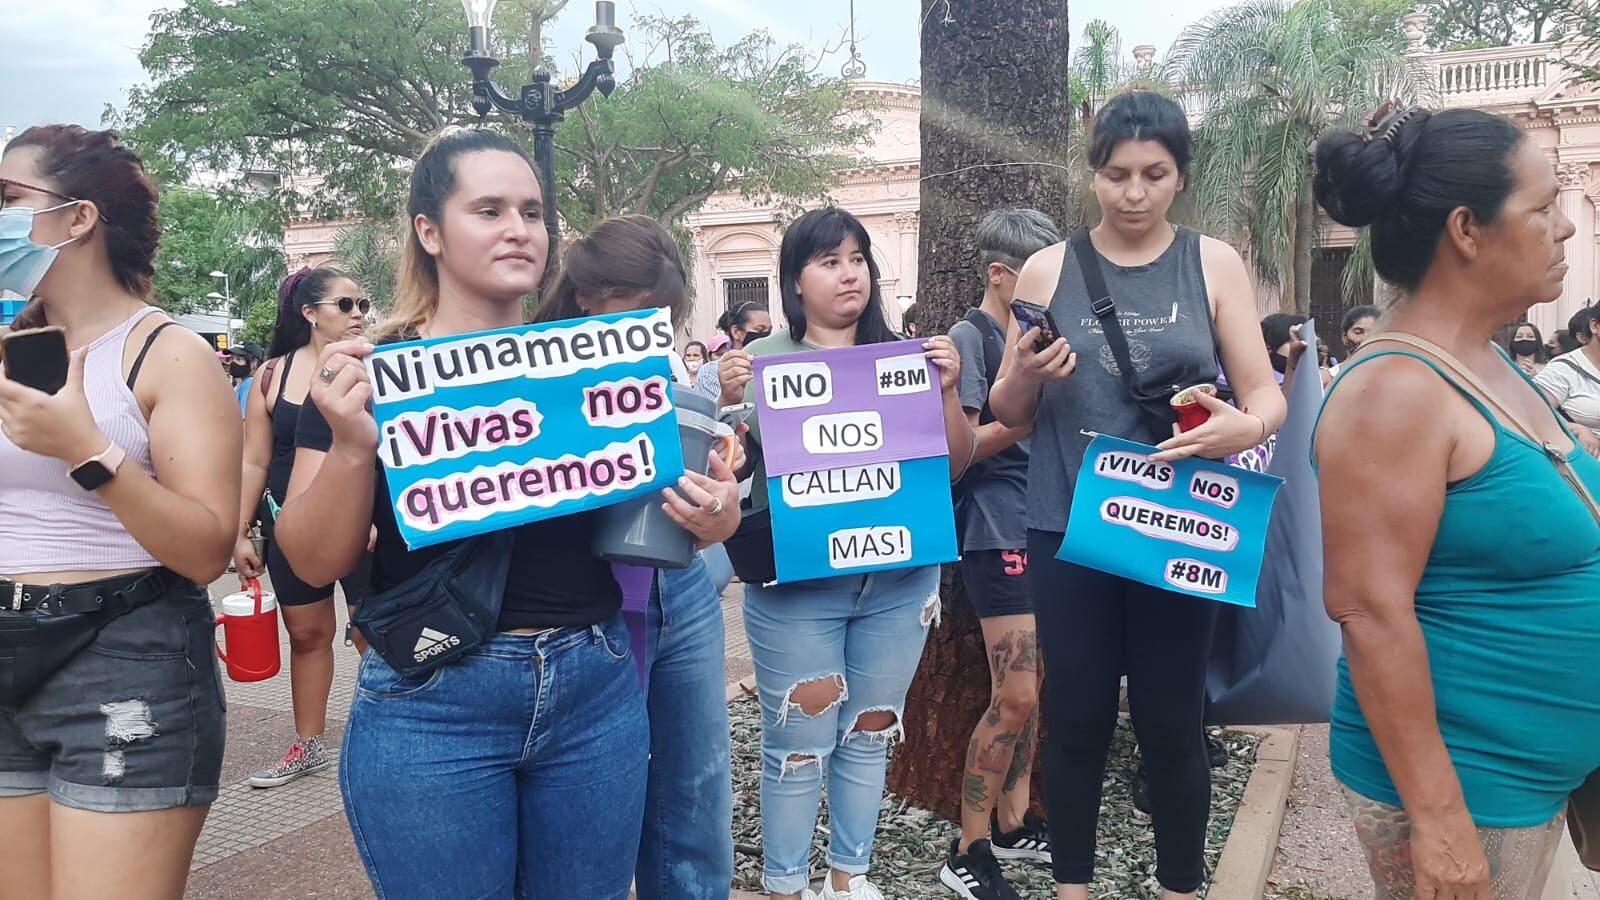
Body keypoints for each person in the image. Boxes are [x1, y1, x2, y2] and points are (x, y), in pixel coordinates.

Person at [275, 129, 670, 898]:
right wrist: (356, 450)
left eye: (531, 210)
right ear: (430, 231)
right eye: (488, 209)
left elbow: (641, 516)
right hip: (433, 702)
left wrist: (710, 508)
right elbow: (313, 561)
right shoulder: (366, 373)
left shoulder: (594, 363)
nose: (519, 228)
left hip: (593, 690)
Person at [987, 90, 1286, 900]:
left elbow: (1266, 396)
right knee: (1077, 713)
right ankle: (1072, 889)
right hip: (1068, 523)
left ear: (1180, 177)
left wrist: (1242, 428)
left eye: (1154, 174)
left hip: (1180, 523)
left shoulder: (1213, 262)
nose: (1134, 192)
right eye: (1117, 174)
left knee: (1171, 719)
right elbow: (1009, 417)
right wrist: (1019, 374)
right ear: (1094, 178)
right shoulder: (1050, 269)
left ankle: (1180, 886)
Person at [1313, 104, 1600, 899]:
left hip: (1528, 781)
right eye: (1543, 209)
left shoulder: (1487, 362)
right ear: (1467, 230)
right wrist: (1438, 819)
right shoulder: (1397, 393)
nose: (1566, 229)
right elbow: (1370, 611)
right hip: (1473, 792)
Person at [0, 125, 239, 898]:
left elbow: (206, 550)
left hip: (123, 660)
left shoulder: (166, 352)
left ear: (78, 217)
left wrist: (88, 450)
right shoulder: (8, 343)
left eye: (8, 199)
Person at [719, 206, 971, 900]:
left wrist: (948, 392)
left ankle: (848, 876)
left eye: (856, 258)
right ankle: (785, 885)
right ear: (794, 282)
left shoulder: (909, 357)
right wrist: (726, 401)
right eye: (828, 261)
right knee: (798, 748)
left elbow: (951, 467)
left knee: (869, 733)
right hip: (799, 589)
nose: (847, 273)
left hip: (898, 583)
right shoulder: (762, 363)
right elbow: (726, 473)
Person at [531, 213, 743, 899]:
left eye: (663, 318)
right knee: (599, 802)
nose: (651, 330)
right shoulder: (531, 370)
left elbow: (700, 476)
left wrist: (722, 498)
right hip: (587, 602)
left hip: (677, 586)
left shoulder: (661, 366)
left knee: (697, 786)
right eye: (638, 313)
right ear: (588, 297)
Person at [940, 208, 1062, 900]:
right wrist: (1026, 417)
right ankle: (969, 847)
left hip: (1046, 524)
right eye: (1039, 275)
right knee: (1013, 693)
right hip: (995, 527)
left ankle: (1013, 824)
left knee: (1033, 687)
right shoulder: (973, 335)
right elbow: (962, 452)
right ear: (1001, 274)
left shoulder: (1042, 334)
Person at [232, 267, 373, 789]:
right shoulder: (271, 375)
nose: (358, 313)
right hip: (289, 527)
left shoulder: (376, 368)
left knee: (372, 632)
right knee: (307, 635)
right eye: (345, 305)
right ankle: (308, 744)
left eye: (362, 303)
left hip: (365, 528)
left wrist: (376, 515)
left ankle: (392, 738)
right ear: (309, 313)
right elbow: (254, 461)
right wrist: (240, 529)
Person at [1538, 307, 1600, 440]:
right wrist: (1574, 429)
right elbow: (1531, 412)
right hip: (1584, 456)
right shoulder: (1564, 368)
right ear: (1594, 326)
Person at [695, 299, 772, 400]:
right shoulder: (710, 373)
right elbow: (714, 413)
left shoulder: (770, 368)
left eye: (769, 331)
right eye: (760, 330)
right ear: (736, 332)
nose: (766, 336)